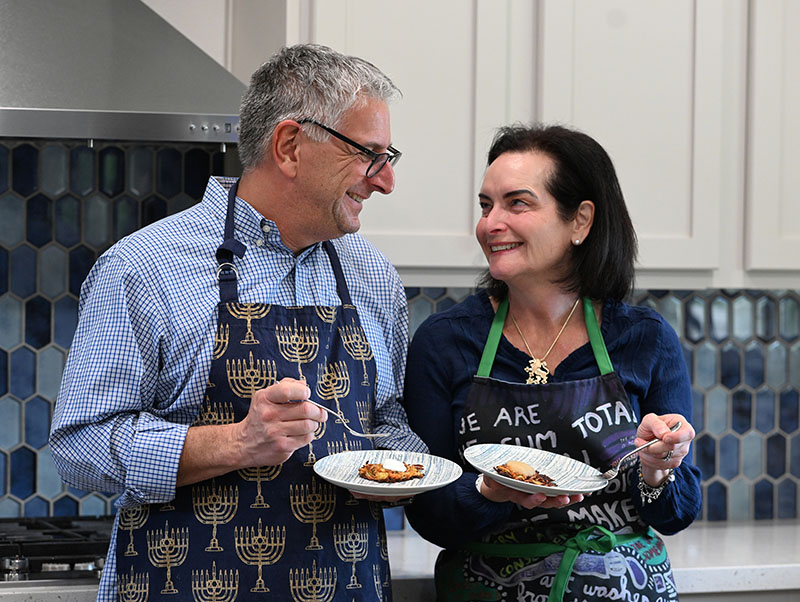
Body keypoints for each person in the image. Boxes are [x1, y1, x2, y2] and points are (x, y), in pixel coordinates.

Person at [50, 43, 426, 602]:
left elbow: (388, 421)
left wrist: (406, 477)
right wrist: (237, 442)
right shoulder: (144, 268)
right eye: (369, 154)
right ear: (291, 146)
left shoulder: (373, 275)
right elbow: (79, 447)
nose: (386, 181)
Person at [402, 123, 702, 602]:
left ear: (580, 221)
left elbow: (678, 512)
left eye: (517, 203)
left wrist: (658, 468)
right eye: (486, 205)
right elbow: (428, 511)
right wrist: (490, 492)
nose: (489, 223)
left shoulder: (645, 339)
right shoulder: (446, 342)